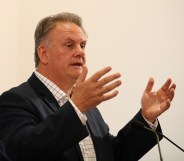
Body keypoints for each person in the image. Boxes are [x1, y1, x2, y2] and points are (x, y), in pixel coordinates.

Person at [0, 12, 176, 161]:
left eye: (83, 45)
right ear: (44, 53)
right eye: (70, 45)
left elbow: (112, 154)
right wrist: (76, 107)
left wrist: (145, 118)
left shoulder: (86, 105)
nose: (80, 52)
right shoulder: (14, 101)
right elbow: (21, 152)